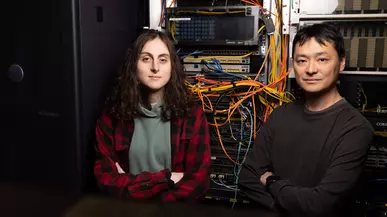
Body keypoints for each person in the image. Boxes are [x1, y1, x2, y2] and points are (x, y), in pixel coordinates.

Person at [238, 23, 373, 216]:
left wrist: (271, 181)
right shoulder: (280, 116)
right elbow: (247, 177)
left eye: (322, 59)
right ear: (294, 65)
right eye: (302, 61)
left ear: (341, 63)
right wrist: (288, 206)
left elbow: (319, 205)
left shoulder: (356, 129)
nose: (310, 69)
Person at [94, 30, 211, 202]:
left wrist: (135, 188)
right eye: (146, 59)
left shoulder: (192, 117)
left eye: (163, 59)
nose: (155, 67)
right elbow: (105, 181)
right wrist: (167, 179)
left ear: (172, 66)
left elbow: (199, 182)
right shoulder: (111, 118)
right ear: (134, 65)